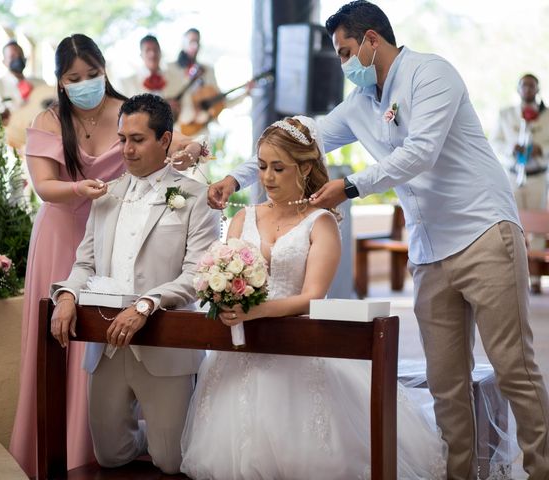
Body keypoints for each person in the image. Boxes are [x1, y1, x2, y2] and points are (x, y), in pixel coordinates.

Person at [207, 2, 549, 478]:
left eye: (346, 51)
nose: (344, 64)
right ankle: (460, 474)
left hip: (483, 232)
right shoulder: (359, 106)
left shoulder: (433, 75)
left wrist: (348, 187)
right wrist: (232, 178)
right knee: (445, 380)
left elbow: (420, 152)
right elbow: (294, 140)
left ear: (372, 40)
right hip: (430, 250)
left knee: (514, 368)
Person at [182, 116, 447, 479]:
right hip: (240, 352)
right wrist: (223, 296)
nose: (267, 178)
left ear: (305, 166)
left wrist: (257, 310)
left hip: (296, 349)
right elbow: (224, 275)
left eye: (278, 168)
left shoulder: (321, 222)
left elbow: (312, 296)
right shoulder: (243, 217)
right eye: (261, 167)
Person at [9, 34, 204, 477]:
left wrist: (193, 152)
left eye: (92, 75)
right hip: (67, 229)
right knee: (64, 333)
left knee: (123, 347)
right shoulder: (47, 119)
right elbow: (44, 186)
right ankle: (69, 448)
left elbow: (178, 142)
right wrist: (81, 190)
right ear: (60, 82)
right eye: (74, 78)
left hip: (128, 226)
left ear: (104, 70)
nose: (85, 84)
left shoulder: (128, 110)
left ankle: (122, 436)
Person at [50, 93, 219, 474]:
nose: (126, 149)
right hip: (107, 344)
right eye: (122, 138)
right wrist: (66, 295)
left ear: (164, 140)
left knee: (171, 461)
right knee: (109, 454)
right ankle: (152, 434)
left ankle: (168, 435)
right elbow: (85, 262)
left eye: (137, 139)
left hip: (164, 342)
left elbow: (196, 274)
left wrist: (146, 305)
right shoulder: (105, 195)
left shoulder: (194, 197)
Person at [491, 73, 549, 293]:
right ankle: (513, 276)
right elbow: (495, 141)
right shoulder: (506, 115)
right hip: (513, 176)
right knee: (512, 223)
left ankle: (534, 278)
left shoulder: (547, 115)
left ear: (538, 88)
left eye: (532, 85)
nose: (528, 89)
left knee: (536, 227)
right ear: (518, 89)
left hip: (537, 176)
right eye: (524, 85)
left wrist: (541, 149)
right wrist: (510, 148)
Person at [118, 34, 184, 118]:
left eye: (155, 49)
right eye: (148, 50)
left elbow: (188, 113)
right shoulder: (127, 84)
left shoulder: (175, 78)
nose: (152, 54)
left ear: (160, 52)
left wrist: (177, 111)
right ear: (141, 55)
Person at [0, 40, 48, 111]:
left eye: (20, 55)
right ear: (4, 62)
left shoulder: (40, 84)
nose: (18, 58)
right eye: (12, 56)